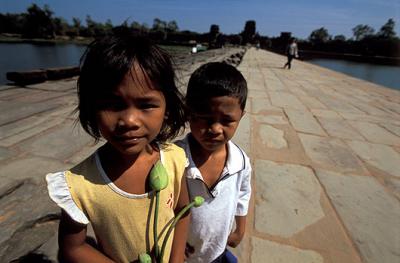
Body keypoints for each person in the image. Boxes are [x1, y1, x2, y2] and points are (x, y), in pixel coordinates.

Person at [45, 34, 189, 263]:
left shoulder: (175, 159)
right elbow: (73, 248)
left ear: (167, 108)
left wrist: (177, 257)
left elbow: (183, 211)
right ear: (92, 108)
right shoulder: (81, 185)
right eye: (113, 105)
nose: (129, 121)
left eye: (146, 105)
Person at [176, 62, 252, 263]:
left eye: (227, 121)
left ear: (241, 116)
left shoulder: (241, 162)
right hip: (181, 252)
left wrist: (240, 230)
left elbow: (242, 195)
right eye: (205, 117)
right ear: (188, 112)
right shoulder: (174, 158)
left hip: (216, 248)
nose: (216, 129)